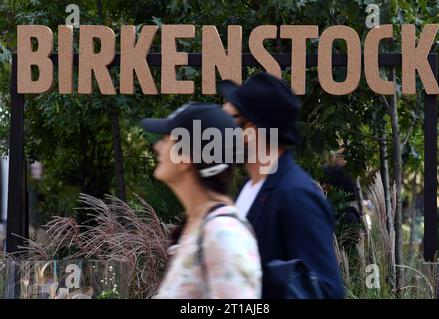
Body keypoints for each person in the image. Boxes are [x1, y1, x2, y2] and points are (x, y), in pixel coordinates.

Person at [218, 72, 345, 298]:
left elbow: (326, 291)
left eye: (227, 122)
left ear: (251, 130)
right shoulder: (249, 189)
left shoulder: (297, 194)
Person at [141, 102, 261, 299]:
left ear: (186, 157)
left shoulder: (223, 233)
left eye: (166, 139)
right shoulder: (199, 227)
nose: (157, 146)